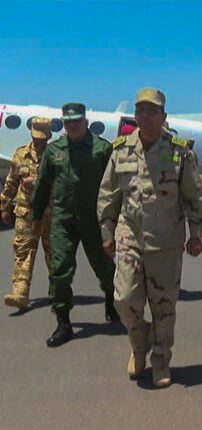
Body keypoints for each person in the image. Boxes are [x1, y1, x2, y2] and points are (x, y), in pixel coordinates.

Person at [98, 87, 202, 388]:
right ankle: (139, 345)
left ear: (163, 116)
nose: (145, 115)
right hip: (130, 237)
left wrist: (197, 233)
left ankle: (160, 361)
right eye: (141, 110)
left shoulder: (179, 151)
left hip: (166, 241)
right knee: (124, 300)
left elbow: (195, 195)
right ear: (135, 115)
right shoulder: (121, 149)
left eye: (152, 110)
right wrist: (107, 232)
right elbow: (108, 194)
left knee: (164, 308)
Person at [31, 103, 118, 347]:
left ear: (85, 122)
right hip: (64, 220)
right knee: (59, 270)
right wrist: (36, 217)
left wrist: (116, 219)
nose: (72, 125)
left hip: (95, 220)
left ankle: (111, 300)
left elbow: (115, 186)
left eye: (77, 121)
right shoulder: (54, 151)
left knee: (105, 268)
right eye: (68, 122)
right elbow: (42, 185)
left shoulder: (102, 149)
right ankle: (63, 322)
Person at [1, 117, 54, 311]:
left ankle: (58, 292)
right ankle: (20, 294)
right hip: (26, 212)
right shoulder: (20, 154)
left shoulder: (56, 156)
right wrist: (4, 205)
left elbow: (64, 184)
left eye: (43, 138)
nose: (39, 141)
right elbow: (11, 183)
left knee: (54, 255)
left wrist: (37, 181)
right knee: (23, 252)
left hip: (50, 214)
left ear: (49, 136)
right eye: (36, 137)